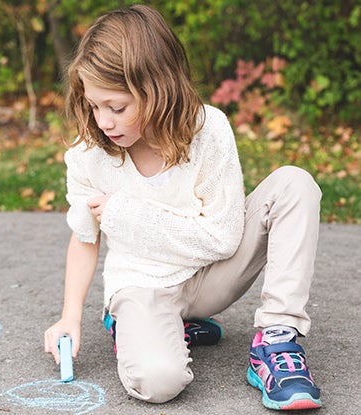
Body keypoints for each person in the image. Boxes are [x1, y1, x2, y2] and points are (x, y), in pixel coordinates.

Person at [44, 4, 322, 411]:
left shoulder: (208, 129)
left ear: (157, 89)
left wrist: (128, 216)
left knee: (294, 183)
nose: (103, 121)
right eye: (93, 106)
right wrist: (70, 316)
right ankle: (138, 326)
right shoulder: (89, 155)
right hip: (143, 285)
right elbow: (86, 237)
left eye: (117, 107)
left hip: (210, 278)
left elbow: (225, 238)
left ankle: (276, 340)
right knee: (159, 382)